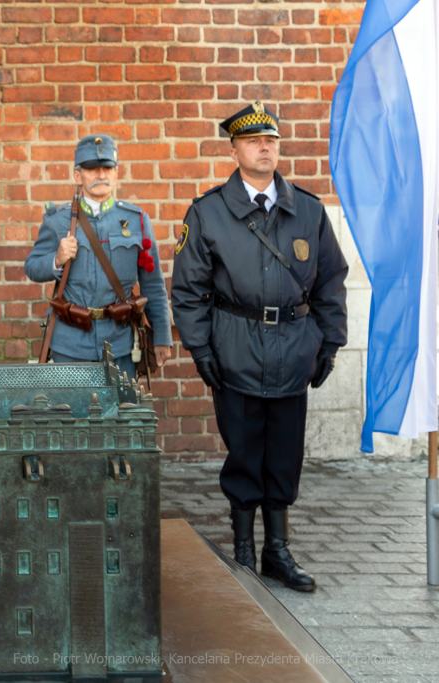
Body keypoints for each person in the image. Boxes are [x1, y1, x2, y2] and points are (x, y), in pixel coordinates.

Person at [171, 102, 348, 592]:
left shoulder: (308, 210)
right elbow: (188, 289)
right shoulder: (208, 213)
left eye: (270, 139)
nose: (264, 147)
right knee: (245, 448)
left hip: (294, 348)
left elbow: (331, 280)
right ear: (234, 149)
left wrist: (331, 341)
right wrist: (201, 348)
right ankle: (244, 547)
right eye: (252, 141)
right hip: (236, 347)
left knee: (285, 452)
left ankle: (277, 550)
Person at [25, 135, 172, 377]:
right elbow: (32, 267)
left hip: (120, 341)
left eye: (107, 168)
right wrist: (57, 259)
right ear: (77, 175)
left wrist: (162, 336)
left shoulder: (137, 221)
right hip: (69, 342)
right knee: (74, 413)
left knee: (119, 412)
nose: (101, 175)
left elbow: (153, 284)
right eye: (92, 169)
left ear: (116, 173)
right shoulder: (58, 220)